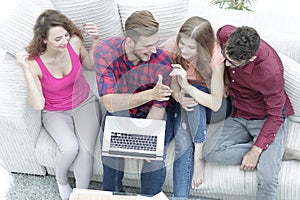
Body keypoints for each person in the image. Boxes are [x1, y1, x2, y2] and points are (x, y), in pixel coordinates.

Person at [16, 9, 101, 200]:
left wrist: (95, 39)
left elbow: (90, 65)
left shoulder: (75, 42)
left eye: (65, 35)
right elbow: (38, 104)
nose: (64, 42)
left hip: (85, 103)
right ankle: (61, 181)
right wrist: (27, 71)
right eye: (57, 39)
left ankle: (82, 194)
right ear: (44, 40)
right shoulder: (35, 63)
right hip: (55, 112)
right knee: (71, 147)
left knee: (86, 151)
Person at [203, 25, 294, 200]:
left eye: (233, 63)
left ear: (251, 58)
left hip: (266, 118)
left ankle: (268, 152)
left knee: (267, 179)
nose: (227, 64)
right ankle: (275, 152)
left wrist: (255, 151)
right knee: (209, 151)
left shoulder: (270, 72)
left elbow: (276, 115)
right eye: (225, 57)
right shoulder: (225, 34)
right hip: (239, 112)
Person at [94, 10, 173, 196]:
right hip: (120, 110)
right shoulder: (105, 51)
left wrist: (141, 140)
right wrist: (150, 93)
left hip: (151, 114)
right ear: (129, 41)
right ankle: (112, 195)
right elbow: (111, 104)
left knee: (152, 159)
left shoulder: (162, 59)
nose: (154, 49)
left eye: (155, 43)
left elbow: (158, 106)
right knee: (111, 150)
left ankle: (149, 197)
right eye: (147, 45)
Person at [161, 16, 231, 199]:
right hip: (183, 101)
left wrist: (187, 88)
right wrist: (178, 96)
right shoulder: (173, 46)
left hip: (213, 107)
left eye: (191, 48)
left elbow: (216, 103)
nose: (184, 50)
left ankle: (198, 155)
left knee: (194, 99)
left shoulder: (215, 57)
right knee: (183, 140)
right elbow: (171, 79)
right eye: (182, 44)